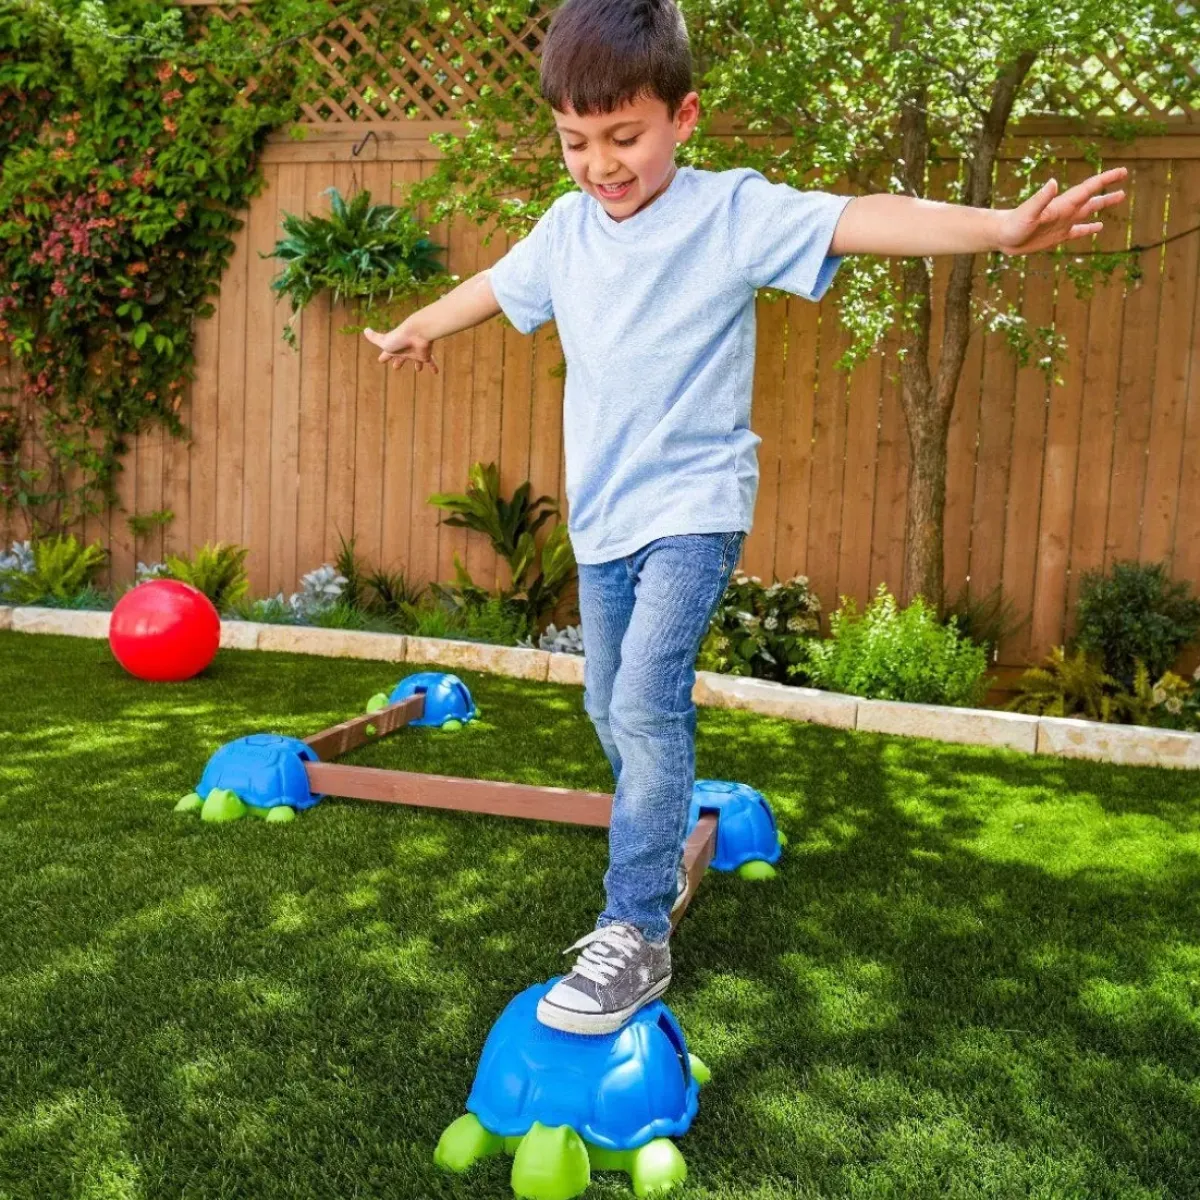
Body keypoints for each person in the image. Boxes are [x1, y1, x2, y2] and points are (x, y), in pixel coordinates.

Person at [364, 0, 1126, 1036]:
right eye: (576, 142)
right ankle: (661, 819)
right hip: (604, 523)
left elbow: (860, 216)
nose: (600, 164)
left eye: (624, 136)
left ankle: (635, 930)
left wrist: (997, 228)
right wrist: (419, 323)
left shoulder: (728, 212)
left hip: (695, 508)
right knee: (611, 710)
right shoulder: (566, 230)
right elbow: (500, 284)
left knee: (645, 701)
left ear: (683, 118)